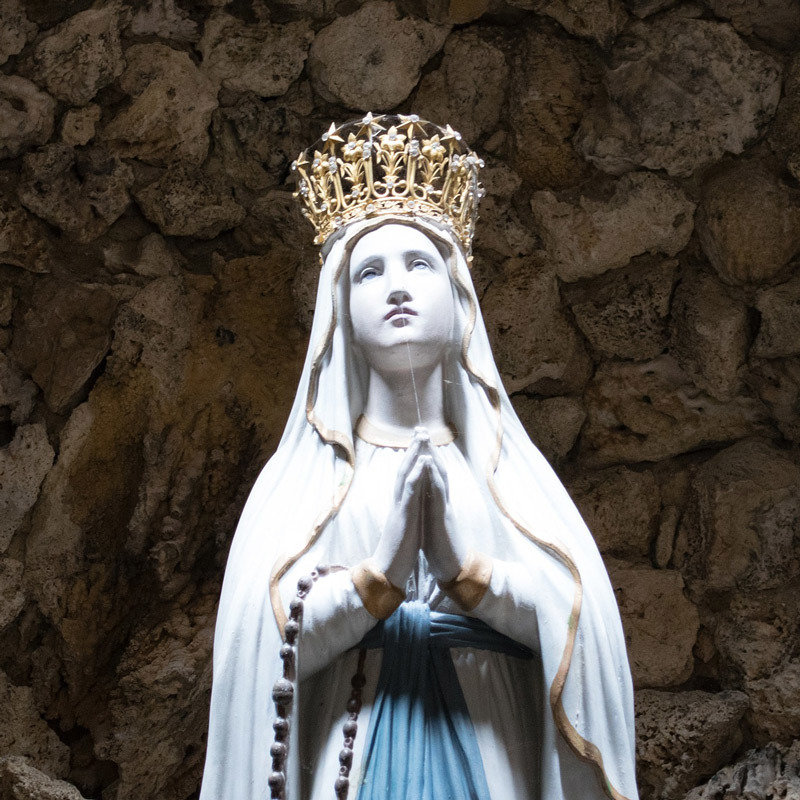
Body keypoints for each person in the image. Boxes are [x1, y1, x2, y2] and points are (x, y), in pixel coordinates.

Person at [199, 115, 639, 800]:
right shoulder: (304, 485)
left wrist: (471, 576)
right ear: (341, 313)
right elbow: (257, 648)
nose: (396, 287)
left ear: (460, 301)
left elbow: (583, 626)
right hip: (355, 748)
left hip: (493, 742)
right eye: (369, 272)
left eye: (419, 264)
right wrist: (378, 575)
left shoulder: (506, 476)